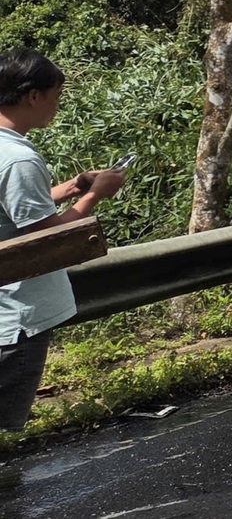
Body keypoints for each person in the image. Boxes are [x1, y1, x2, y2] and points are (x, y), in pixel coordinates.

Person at [0, 50, 126, 431]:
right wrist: (94, 196)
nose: (56, 105)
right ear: (32, 96)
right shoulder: (18, 159)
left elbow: (15, 211)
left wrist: (72, 187)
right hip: (17, 317)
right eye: (54, 96)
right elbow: (44, 239)